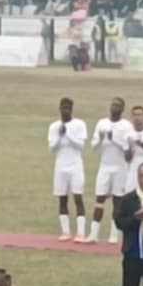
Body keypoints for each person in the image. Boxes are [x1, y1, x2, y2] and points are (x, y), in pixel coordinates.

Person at [88, 99, 134, 245]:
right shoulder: (102, 123)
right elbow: (94, 147)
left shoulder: (127, 126)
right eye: (113, 105)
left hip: (120, 168)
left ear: (122, 109)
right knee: (99, 199)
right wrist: (101, 139)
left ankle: (114, 235)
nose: (115, 108)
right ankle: (93, 234)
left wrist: (115, 140)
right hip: (105, 167)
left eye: (118, 106)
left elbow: (129, 151)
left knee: (118, 202)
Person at [50, 97, 90, 243]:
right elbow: (52, 148)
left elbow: (80, 145)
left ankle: (80, 233)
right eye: (63, 107)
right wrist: (60, 136)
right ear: (59, 108)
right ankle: (65, 232)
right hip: (60, 166)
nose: (65, 110)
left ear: (72, 109)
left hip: (75, 165)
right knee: (62, 198)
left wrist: (68, 134)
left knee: (78, 197)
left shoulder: (79, 124)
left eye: (68, 107)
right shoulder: (54, 126)